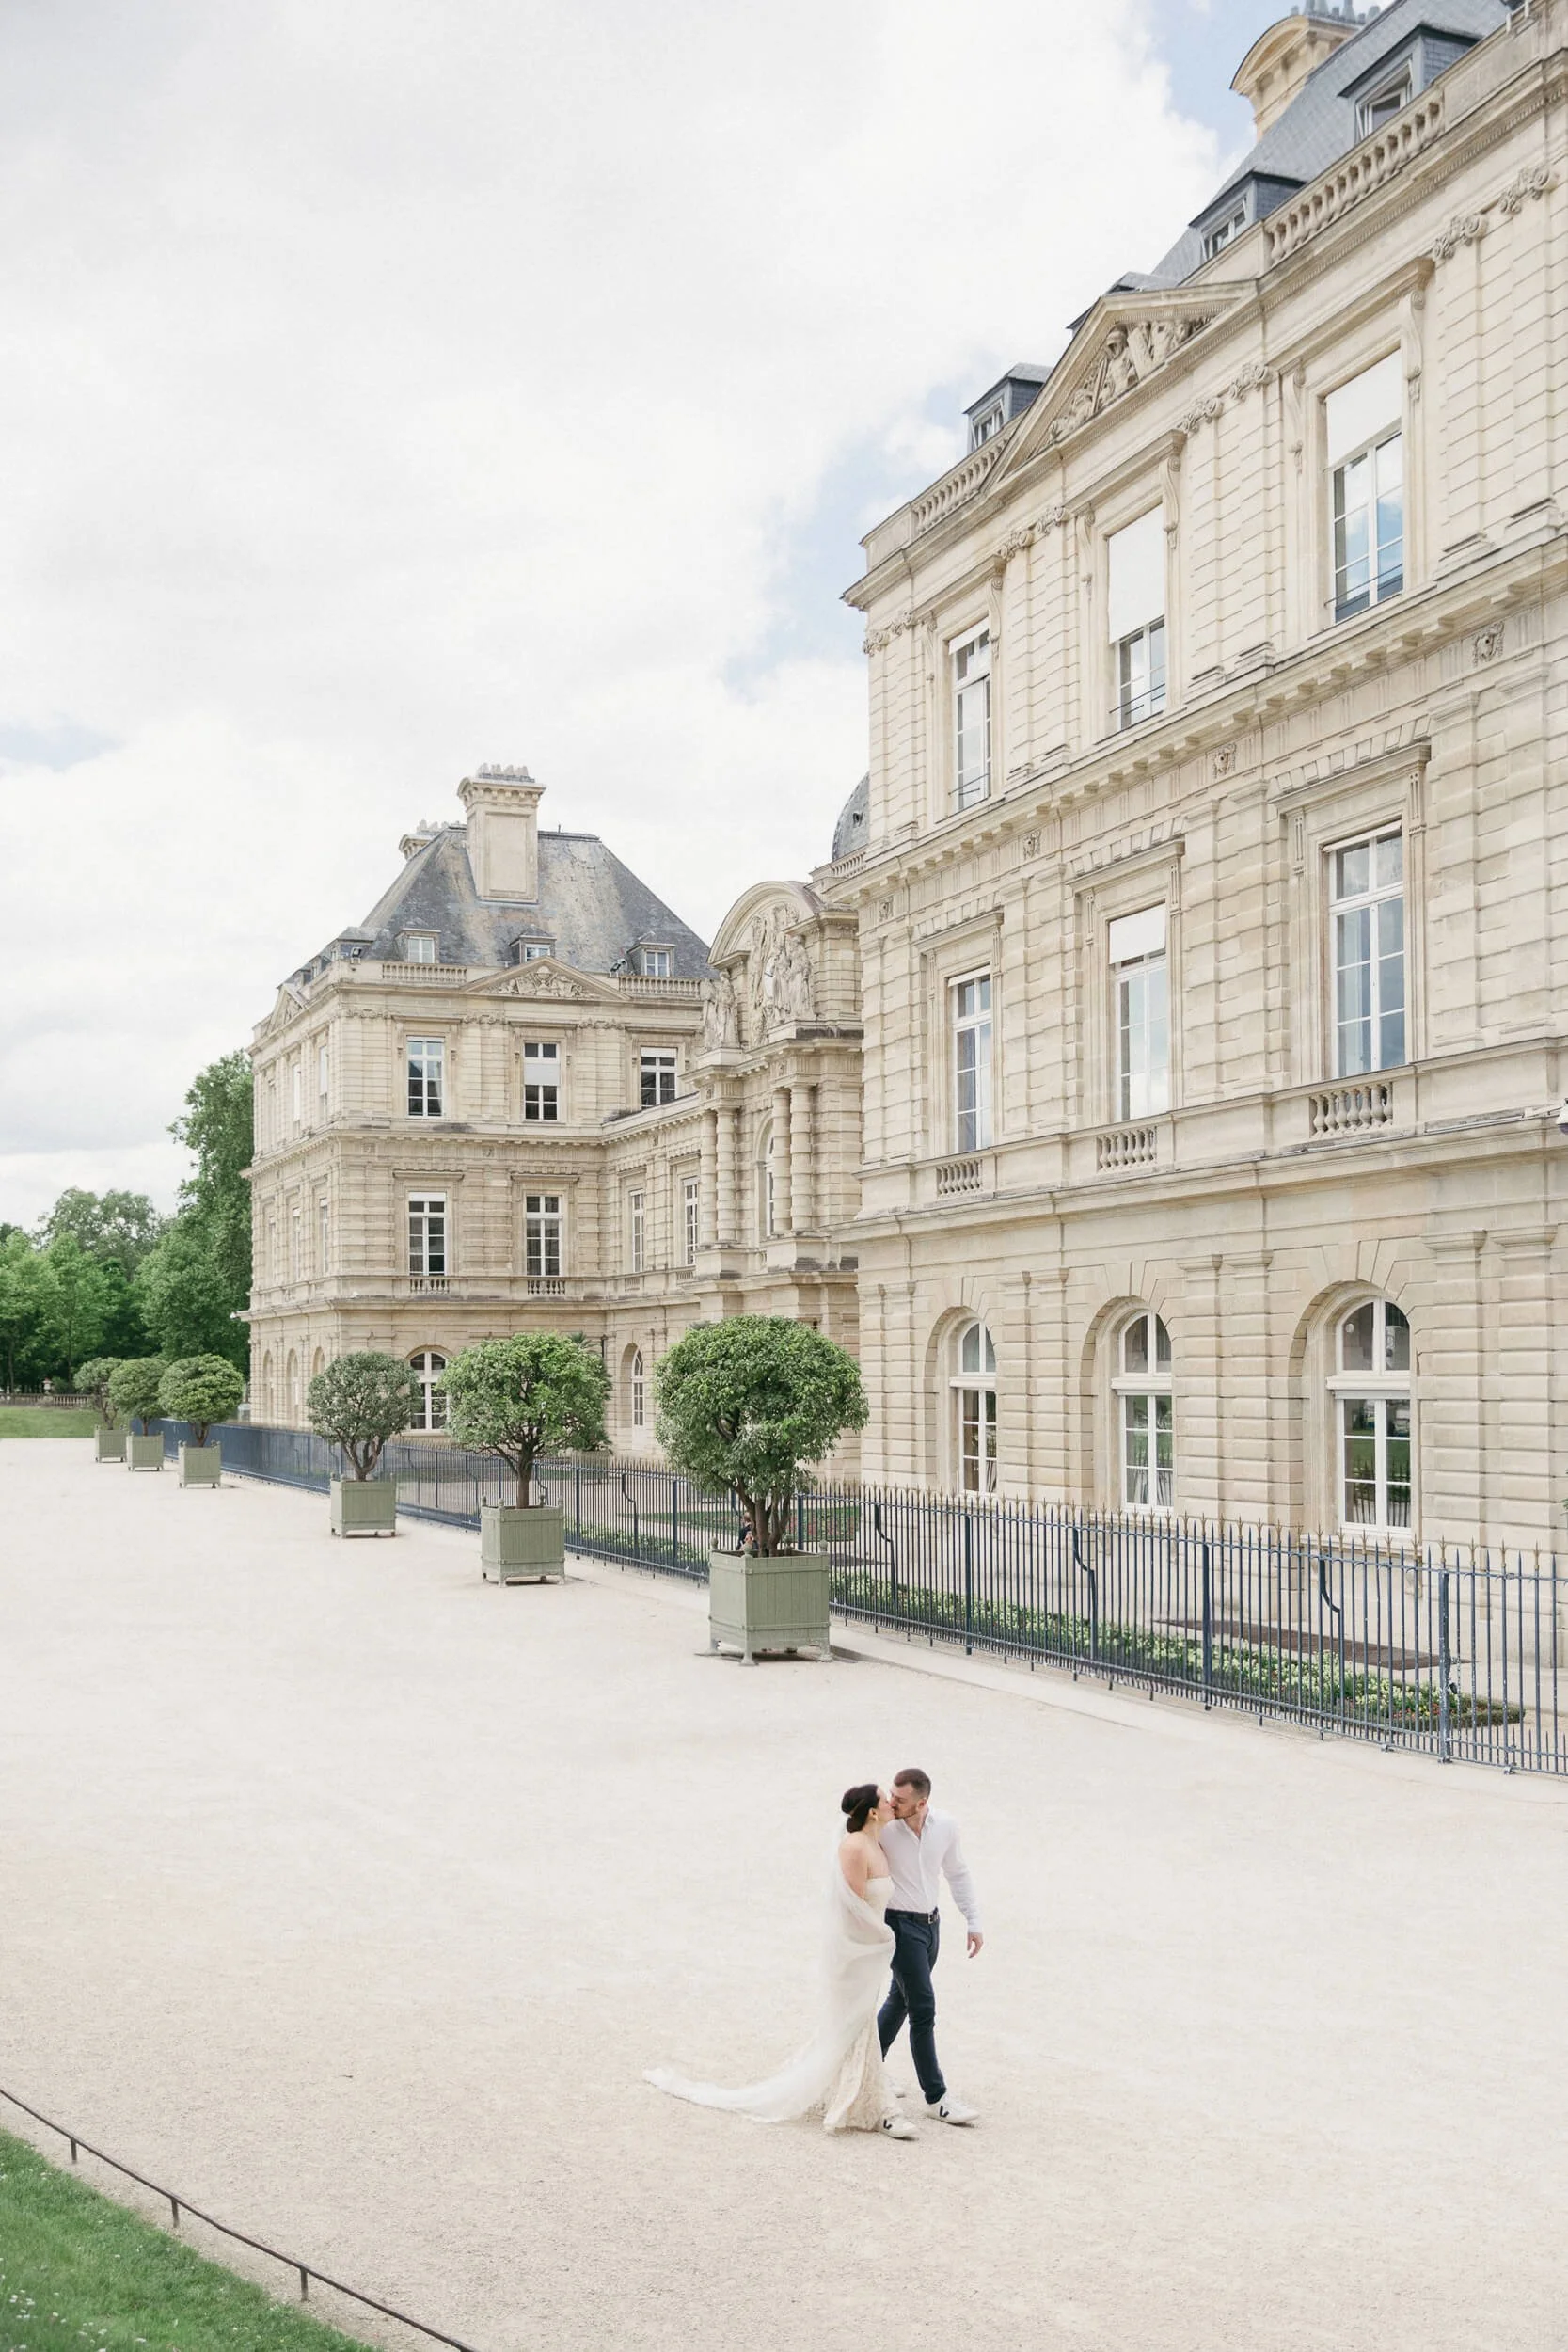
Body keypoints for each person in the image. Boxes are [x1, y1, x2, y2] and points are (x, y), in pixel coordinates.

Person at [645, 1784, 919, 2139]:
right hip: (856, 1952)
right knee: (857, 2021)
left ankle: (857, 2089)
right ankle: (880, 2108)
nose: (891, 1805)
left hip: (871, 1951)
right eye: (886, 1800)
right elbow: (850, 1907)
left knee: (858, 2022)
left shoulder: (877, 1845)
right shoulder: (853, 1847)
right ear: (871, 1811)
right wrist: (885, 1938)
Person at [879, 1768, 983, 2125]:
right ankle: (936, 2097)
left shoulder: (947, 1826)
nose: (892, 1802)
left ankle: (869, 2067)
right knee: (923, 2007)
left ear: (922, 1802)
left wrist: (973, 1920)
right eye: (891, 1795)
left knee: (900, 2000)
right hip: (898, 1926)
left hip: (930, 1925)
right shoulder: (884, 1828)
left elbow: (957, 1872)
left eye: (901, 1799)